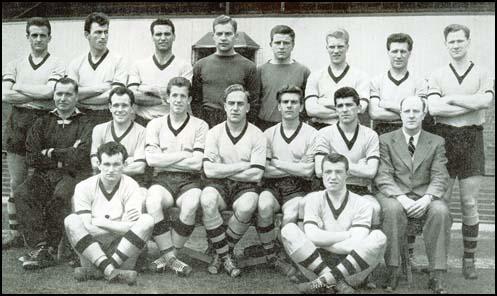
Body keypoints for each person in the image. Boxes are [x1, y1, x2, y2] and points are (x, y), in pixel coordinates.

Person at [427, 24, 494, 281]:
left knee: (469, 202)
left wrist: (451, 99)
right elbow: (433, 108)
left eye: (460, 41)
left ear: (468, 42)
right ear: (446, 45)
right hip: (444, 139)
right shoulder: (437, 74)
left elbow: (485, 102)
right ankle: (438, 262)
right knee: (440, 203)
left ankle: (469, 259)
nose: (455, 45)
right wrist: (468, 102)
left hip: (471, 138)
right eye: (451, 42)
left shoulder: (483, 72)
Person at [375, 96, 451, 293]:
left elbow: (440, 175)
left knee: (441, 211)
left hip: (424, 195)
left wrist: (427, 198)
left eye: (416, 111)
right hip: (395, 195)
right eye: (407, 111)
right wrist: (401, 198)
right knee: (391, 210)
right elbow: (383, 175)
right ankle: (393, 270)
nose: (411, 115)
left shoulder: (436, 141)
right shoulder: (385, 140)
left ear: (423, 114)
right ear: (400, 114)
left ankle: (437, 274)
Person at [14, 77, 92, 269]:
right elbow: (32, 156)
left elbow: (81, 155)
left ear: (76, 97)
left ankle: (50, 248)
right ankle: (40, 247)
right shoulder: (42, 122)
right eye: (59, 93)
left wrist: (49, 152)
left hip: (72, 175)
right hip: (44, 175)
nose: (63, 98)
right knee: (22, 193)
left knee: (61, 196)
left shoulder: (85, 123)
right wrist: (64, 155)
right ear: (54, 95)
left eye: (68, 94)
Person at [281, 153, 386, 294]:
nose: (333, 176)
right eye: (328, 172)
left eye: (338, 172)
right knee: (288, 230)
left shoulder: (363, 203)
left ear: (347, 174)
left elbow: (355, 243)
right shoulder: (313, 199)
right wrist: (347, 234)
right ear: (322, 175)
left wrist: (322, 241)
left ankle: (322, 284)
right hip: (315, 267)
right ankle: (336, 283)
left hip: (351, 271)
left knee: (379, 237)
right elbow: (312, 236)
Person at [2, 17, 65, 249]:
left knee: (43, 182)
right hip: (17, 125)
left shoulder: (58, 64)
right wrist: (37, 96)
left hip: (44, 127)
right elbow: (5, 95)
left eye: (43, 35)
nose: (38, 39)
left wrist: (19, 88)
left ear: (50, 37)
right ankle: (15, 233)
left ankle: (42, 233)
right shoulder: (15, 63)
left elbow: (51, 93)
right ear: (27, 37)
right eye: (34, 35)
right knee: (18, 182)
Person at [64, 141, 154, 285]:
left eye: (116, 164)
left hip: (122, 251)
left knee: (147, 220)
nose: (111, 169)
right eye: (106, 164)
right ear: (98, 164)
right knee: (71, 220)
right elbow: (86, 227)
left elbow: (131, 226)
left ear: (124, 165)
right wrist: (120, 226)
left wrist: (101, 222)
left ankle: (103, 270)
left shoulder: (131, 186)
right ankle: (113, 272)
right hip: (92, 251)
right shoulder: (84, 186)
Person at [200, 84, 266, 277]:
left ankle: (219, 252)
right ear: (225, 106)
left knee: (248, 205)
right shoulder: (214, 133)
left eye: (240, 103)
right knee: (207, 200)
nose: (235, 108)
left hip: (245, 186)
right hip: (218, 185)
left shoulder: (257, 135)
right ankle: (226, 256)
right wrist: (243, 165)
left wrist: (222, 169)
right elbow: (209, 170)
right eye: (231, 103)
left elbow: (256, 175)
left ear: (247, 107)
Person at [145, 77, 208, 277]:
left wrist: (165, 158)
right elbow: (152, 160)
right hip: (162, 178)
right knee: (153, 202)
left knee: (190, 205)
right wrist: (183, 155)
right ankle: (172, 259)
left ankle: (166, 257)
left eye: (183, 96)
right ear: (167, 98)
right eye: (174, 95)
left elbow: (197, 163)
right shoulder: (155, 124)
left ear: (189, 99)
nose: (178, 100)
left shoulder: (200, 125)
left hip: (189, 180)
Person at [254, 85, 317, 275]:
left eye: (294, 102)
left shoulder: (312, 134)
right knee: (263, 206)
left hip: (298, 188)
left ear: (301, 106)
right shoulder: (268, 134)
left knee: (290, 215)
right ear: (279, 106)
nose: (289, 106)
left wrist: (277, 162)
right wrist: (294, 166)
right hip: (272, 186)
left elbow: (308, 171)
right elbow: (264, 171)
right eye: (285, 102)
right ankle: (271, 255)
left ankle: (291, 256)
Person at [313, 87, 381, 230]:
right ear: (336, 109)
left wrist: (335, 164)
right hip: (331, 189)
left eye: (349, 105)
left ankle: (368, 251)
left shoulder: (370, 135)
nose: (344, 110)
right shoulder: (324, 133)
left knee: (374, 208)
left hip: (359, 189)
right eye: (340, 106)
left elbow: (371, 172)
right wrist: (357, 165)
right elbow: (320, 170)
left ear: (359, 108)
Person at [191, 15, 259, 128]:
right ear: (213, 36)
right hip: (208, 121)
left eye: (228, 34)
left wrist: (243, 126)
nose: (223, 38)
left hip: (237, 122)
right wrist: (202, 124)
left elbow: (254, 103)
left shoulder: (249, 66)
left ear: (236, 36)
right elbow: (196, 101)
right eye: (219, 34)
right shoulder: (201, 65)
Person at [128, 18, 193, 127]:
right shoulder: (138, 65)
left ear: (174, 37)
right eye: (158, 34)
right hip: (143, 122)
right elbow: (131, 96)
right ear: (152, 37)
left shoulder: (184, 66)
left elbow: (182, 97)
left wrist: (147, 89)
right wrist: (165, 96)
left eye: (167, 34)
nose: (163, 38)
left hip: (172, 124)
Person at [67, 12, 128, 128]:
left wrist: (81, 97)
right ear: (87, 34)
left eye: (106, 32)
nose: (103, 37)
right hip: (80, 116)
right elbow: (70, 94)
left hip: (106, 115)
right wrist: (100, 88)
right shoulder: (76, 63)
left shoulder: (119, 61)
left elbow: (115, 96)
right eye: (98, 32)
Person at [305, 28, 369, 130]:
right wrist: (347, 109)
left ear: (347, 47)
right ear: (326, 48)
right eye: (332, 47)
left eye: (340, 47)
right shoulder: (315, 75)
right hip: (320, 128)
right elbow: (310, 110)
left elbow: (361, 108)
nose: (336, 51)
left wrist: (322, 102)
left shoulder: (360, 76)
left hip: (349, 129)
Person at [369, 33, 429, 135]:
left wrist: (386, 104)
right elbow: (374, 113)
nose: (398, 56)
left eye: (403, 51)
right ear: (388, 52)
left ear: (409, 53)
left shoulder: (420, 82)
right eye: (394, 51)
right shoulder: (376, 81)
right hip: (383, 130)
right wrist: (409, 112)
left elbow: (422, 112)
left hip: (410, 131)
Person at [90, 87, 147, 190]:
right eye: (116, 105)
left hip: (131, 183)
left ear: (132, 107)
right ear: (110, 107)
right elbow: (95, 163)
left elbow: (139, 167)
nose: (120, 110)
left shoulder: (142, 132)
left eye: (124, 105)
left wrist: (107, 164)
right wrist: (128, 161)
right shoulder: (99, 129)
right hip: (103, 183)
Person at [256, 25, 311, 131]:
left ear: (293, 45)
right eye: (277, 43)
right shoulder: (260, 71)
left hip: (293, 126)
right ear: (271, 44)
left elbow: (305, 104)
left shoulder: (303, 71)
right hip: (265, 125)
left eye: (286, 43)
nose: (281, 47)